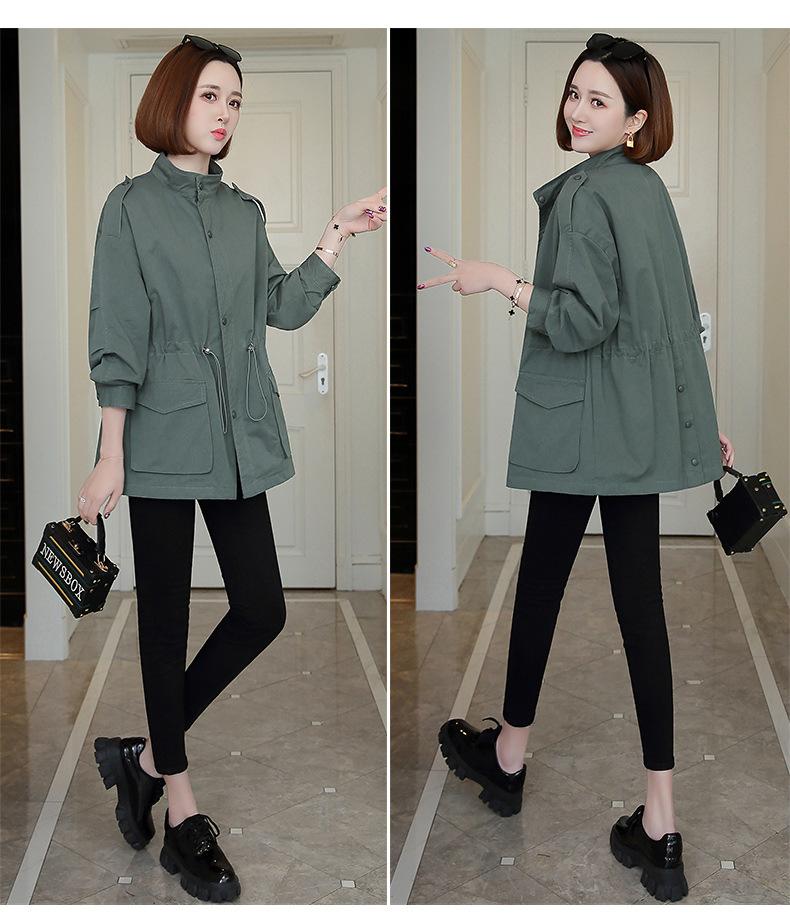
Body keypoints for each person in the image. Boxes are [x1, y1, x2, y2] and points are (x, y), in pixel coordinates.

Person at [419, 34, 733, 904]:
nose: (577, 110)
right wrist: (699, 422)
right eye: (574, 93)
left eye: (599, 100)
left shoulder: (590, 193)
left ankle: (509, 757)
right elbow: (676, 315)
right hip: (632, 429)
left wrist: (498, 280)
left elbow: (585, 319)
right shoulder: (648, 192)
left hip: (577, 427)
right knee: (642, 613)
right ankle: (660, 822)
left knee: (542, 589)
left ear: (636, 120)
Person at [79, 34, 386, 903]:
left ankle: (141, 759)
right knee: (165, 622)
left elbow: (277, 307)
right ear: (173, 98)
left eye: (235, 101)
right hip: (161, 440)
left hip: (239, 437)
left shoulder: (243, 211)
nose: (224, 113)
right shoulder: (129, 207)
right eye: (211, 95)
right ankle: (181, 811)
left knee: (262, 607)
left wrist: (336, 237)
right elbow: (117, 335)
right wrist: (110, 454)